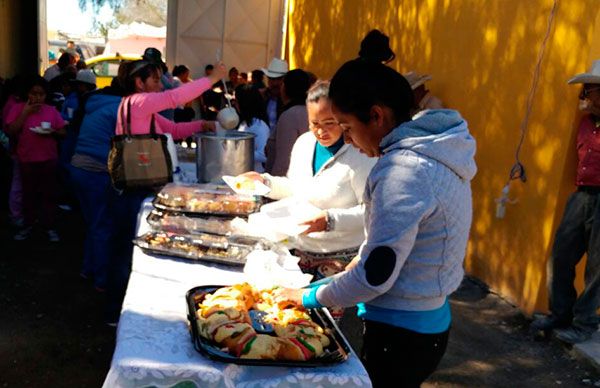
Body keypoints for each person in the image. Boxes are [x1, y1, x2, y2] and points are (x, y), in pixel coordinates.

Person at [272, 59, 477, 387]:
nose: (349, 140)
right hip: (426, 319)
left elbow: (374, 276)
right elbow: (394, 244)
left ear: (377, 116)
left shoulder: (403, 171)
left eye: (348, 128)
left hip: (402, 332)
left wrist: (307, 298)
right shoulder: (434, 151)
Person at [104, 59, 226, 325]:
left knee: (123, 247)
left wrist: (201, 125)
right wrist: (212, 79)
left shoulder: (135, 107)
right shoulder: (138, 102)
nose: (160, 85)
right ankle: (117, 311)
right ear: (140, 82)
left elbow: (171, 129)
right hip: (134, 189)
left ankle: (116, 304)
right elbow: (174, 97)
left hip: (130, 185)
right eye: (156, 80)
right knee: (126, 250)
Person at [243, 80, 376, 317]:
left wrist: (330, 219)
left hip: (339, 260)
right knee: (284, 318)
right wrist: (265, 183)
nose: (322, 132)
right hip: (299, 250)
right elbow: (296, 188)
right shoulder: (305, 143)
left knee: (323, 331)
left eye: (330, 123)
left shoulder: (361, 153)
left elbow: (372, 212)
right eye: (314, 123)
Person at [530, 60, 600, 344]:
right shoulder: (585, 123)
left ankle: (585, 322)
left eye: (589, 89)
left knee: (597, 266)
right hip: (582, 193)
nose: (583, 95)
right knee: (561, 254)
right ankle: (561, 312)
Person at [70, 66, 126, 291]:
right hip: (96, 171)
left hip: (78, 168)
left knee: (94, 223)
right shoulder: (120, 109)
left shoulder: (96, 104)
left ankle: (88, 268)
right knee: (103, 225)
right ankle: (101, 280)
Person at [4, 75, 67, 242]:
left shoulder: (51, 110)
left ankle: (49, 226)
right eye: (34, 93)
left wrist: (52, 132)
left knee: (48, 194)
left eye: (41, 94)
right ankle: (28, 225)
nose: (37, 97)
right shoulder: (18, 108)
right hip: (27, 158)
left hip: (48, 158)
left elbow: (63, 132)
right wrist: (25, 113)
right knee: (28, 195)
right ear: (28, 94)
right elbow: (11, 131)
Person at [265, 69, 310, 176]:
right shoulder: (306, 111)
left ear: (284, 87)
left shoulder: (290, 115)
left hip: (285, 183)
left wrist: (271, 188)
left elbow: (283, 160)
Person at [235, 84, 269, 172]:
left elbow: (263, 155)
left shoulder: (260, 126)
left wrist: (238, 153)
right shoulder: (244, 123)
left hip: (255, 174)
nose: (235, 104)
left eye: (236, 101)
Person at [261, 58, 288, 130]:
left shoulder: (289, 101)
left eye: (279, 79)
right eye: (272, 79)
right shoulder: (262, 96)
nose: (275, 83)